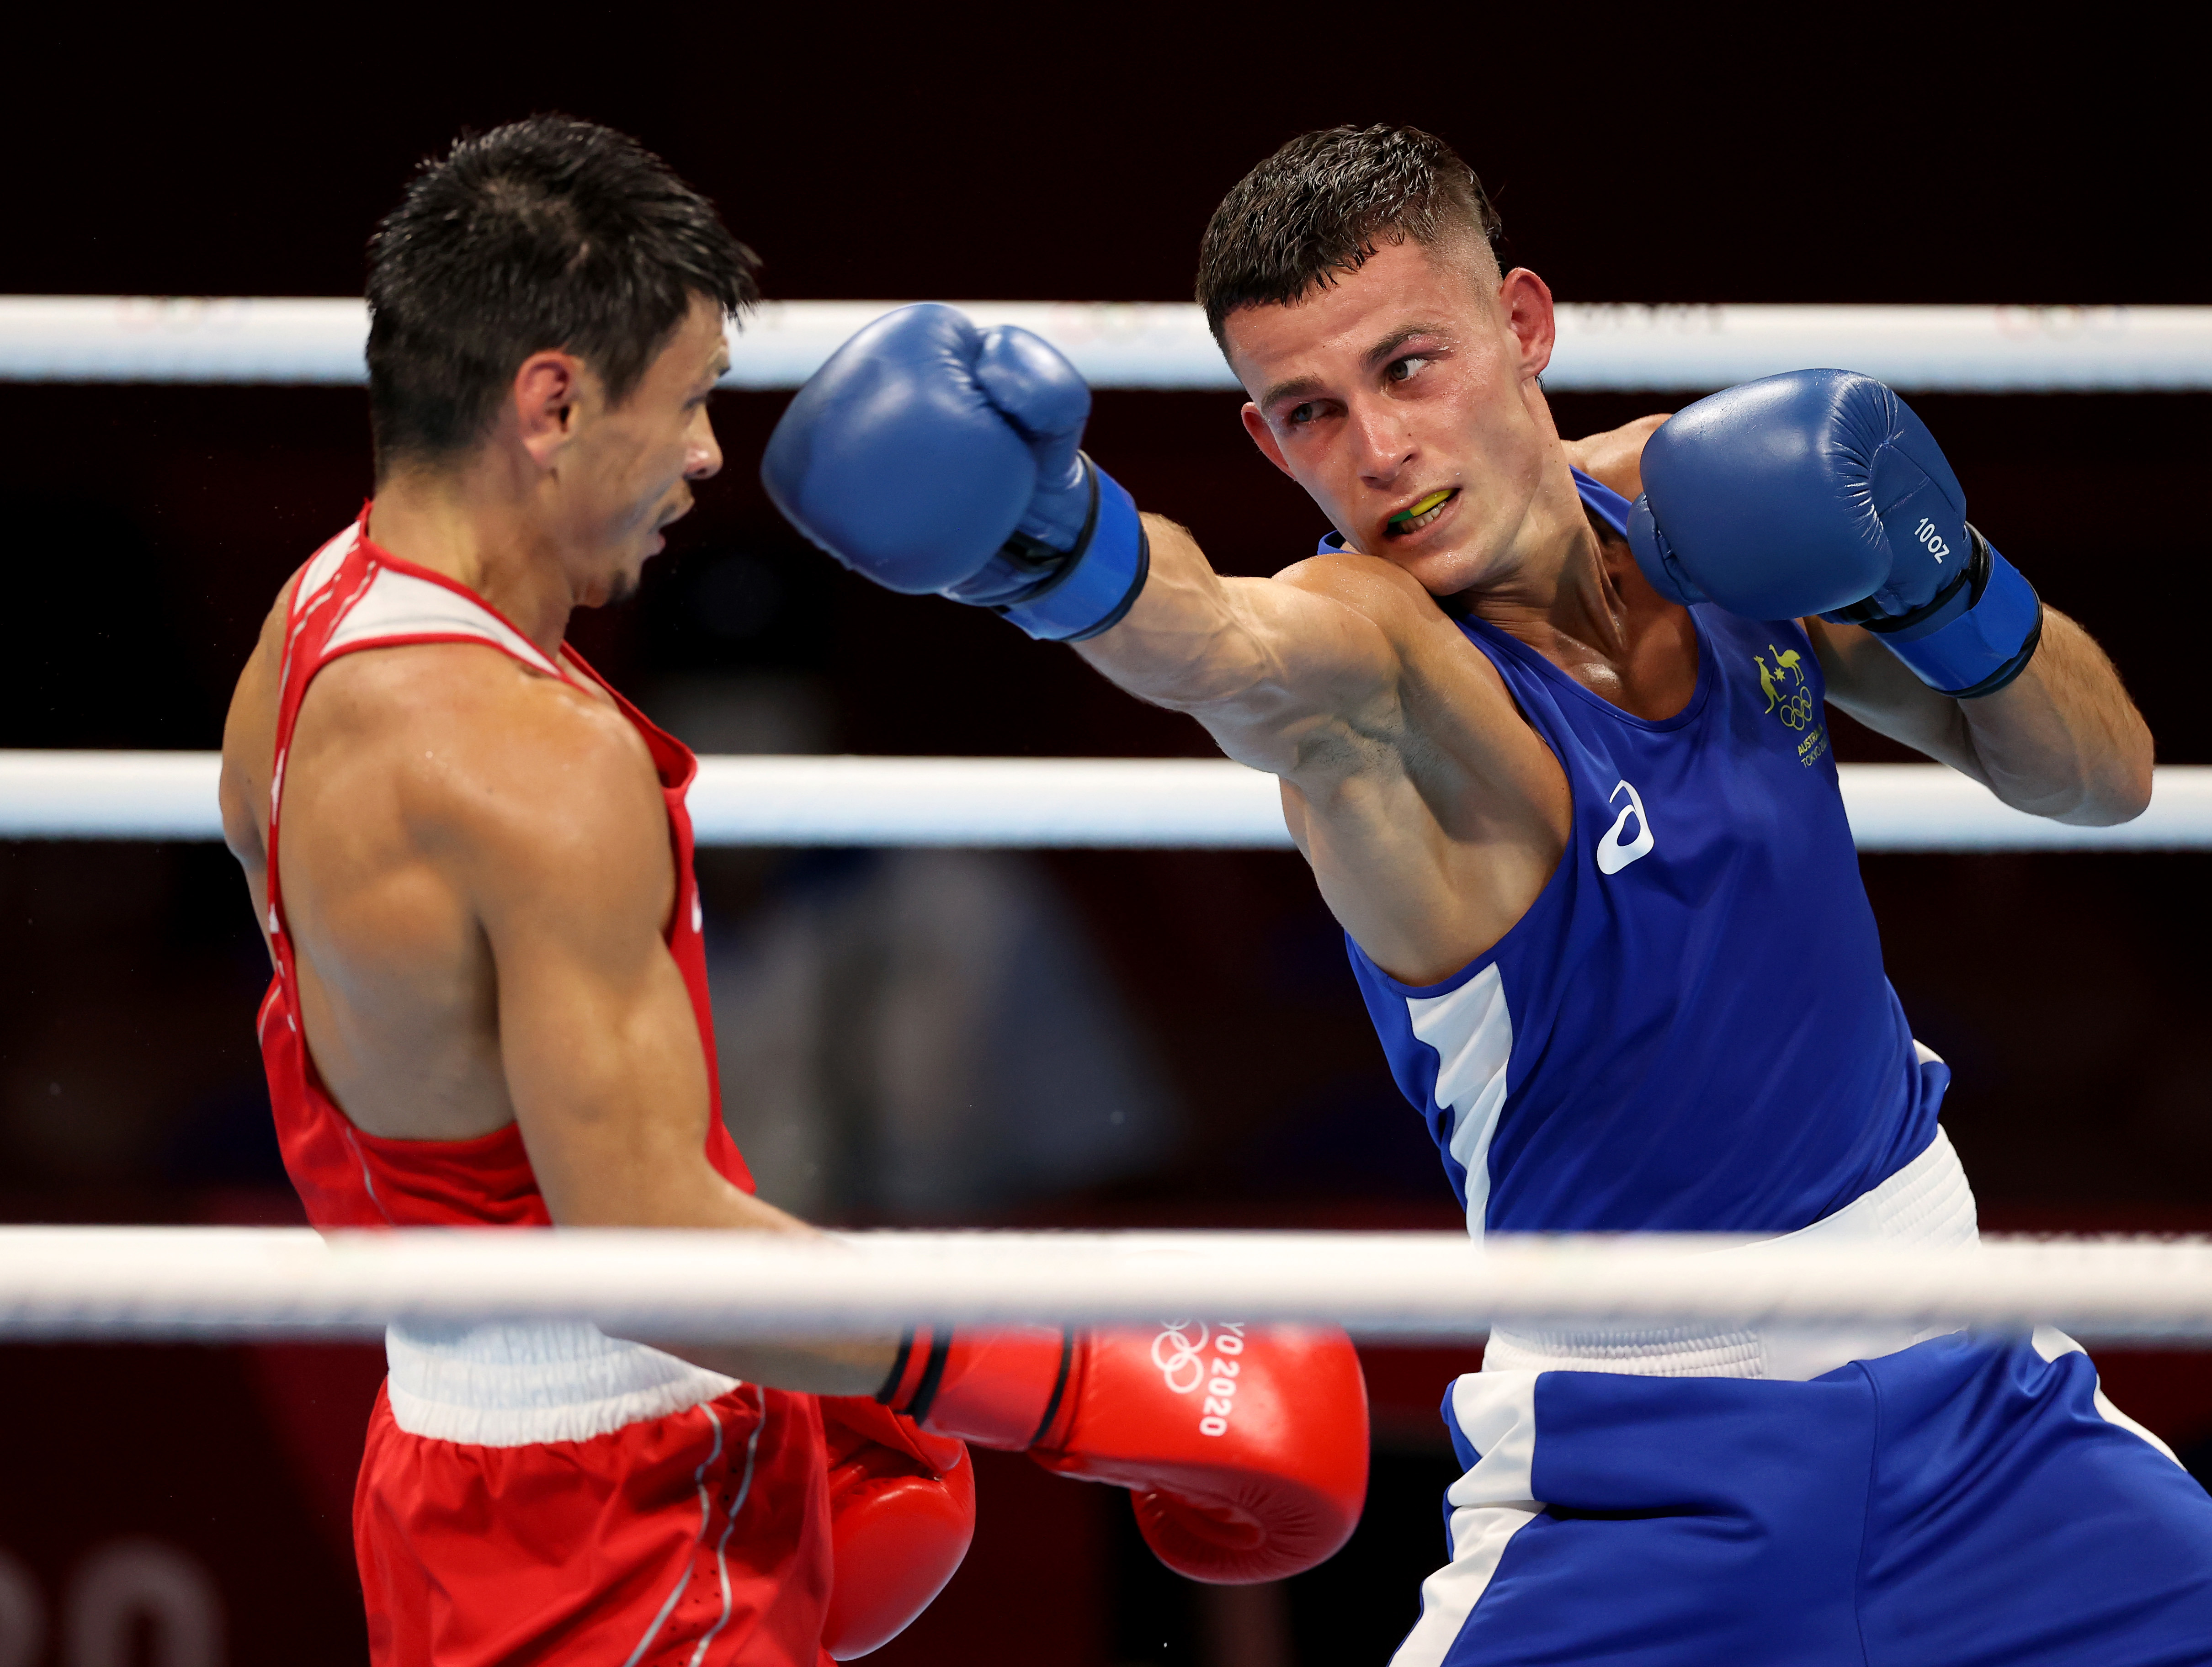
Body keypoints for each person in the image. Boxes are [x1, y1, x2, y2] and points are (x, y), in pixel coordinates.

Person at [761, 122, 2212, 1663]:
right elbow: (1224, 649)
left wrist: (1947, 579)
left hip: (1980, 1398)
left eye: (1409, 368)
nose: (1376, 450)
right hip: (1651, 1471)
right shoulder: (1384, 662)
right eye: (1309, 411)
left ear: (1522, 326)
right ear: (1266, 442)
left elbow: (2100, 778)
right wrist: (1049, 548)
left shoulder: (1709, 515)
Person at [218, 115, 1367, 1667]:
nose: (706, 455)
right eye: (687, 401)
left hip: (446, 1463)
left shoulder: (308, 631)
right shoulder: (537, 766)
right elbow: (650, 1251)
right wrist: (1058, 1373)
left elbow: (414, 1118)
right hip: (620, 1504)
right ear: (553, 401)